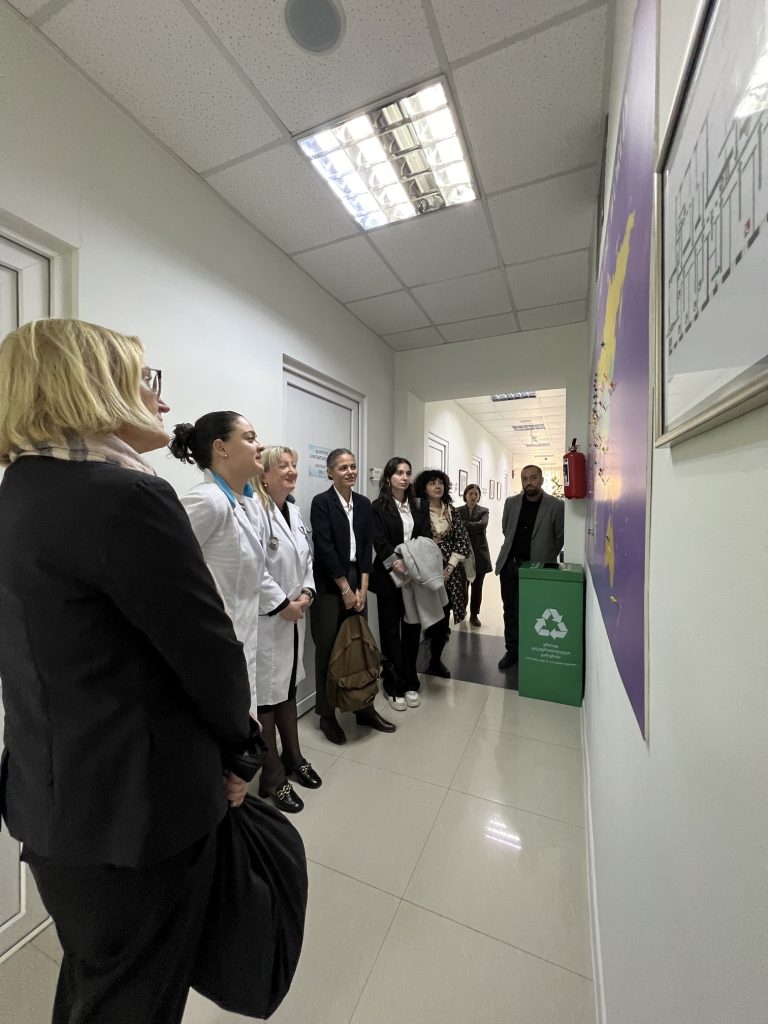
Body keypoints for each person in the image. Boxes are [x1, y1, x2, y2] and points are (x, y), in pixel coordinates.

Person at [0, 319, 254, 1024]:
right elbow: (206, 652)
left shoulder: (19, 492)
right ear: (90, 385)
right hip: (137, 812)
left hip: (56, 807)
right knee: (135, 998)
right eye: (146, 380)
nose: (161, 401)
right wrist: (242, 749)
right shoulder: (123, 496)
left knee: (98, 982)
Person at [309, 448, 396, 745]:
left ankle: (363, 708)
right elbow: (324, 548)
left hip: (359, 576)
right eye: (343, 467)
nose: (350, 472)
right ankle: (327, 714)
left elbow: (367, 545)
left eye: (353, 466)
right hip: (330, 583)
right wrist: (345, 589)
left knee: (360, 644)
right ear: (330, 472)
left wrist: (362, 587)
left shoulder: (362, 503)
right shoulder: (322, 503)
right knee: (328, 648)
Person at [251, 446, 321, 811]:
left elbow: (307, 559)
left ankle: (293, 756)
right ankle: (272, 775)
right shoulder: (254, 511)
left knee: (287, 690)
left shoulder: (293, 511)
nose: (292, 470)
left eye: (294, 465)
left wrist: (307, 591)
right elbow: (255, 569)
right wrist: (283, 605)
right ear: (264, 475)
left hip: (293, 617)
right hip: (268, 621)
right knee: (266, 699)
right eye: (283, 466)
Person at [371, 456, 429, 711]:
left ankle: (410, 680)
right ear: (388, 478)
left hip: (414, 577)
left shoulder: (418, 505)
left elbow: (425, 537)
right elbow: (379, 541)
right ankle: (393, 684)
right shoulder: (378, 506)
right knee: (390, 632)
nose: (404, 477)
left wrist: (413, 565)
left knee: (412, 629)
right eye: (399, 473)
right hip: (389, 578)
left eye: (407, 473)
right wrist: (396, 563)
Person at [495, 464, 565, 669]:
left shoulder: (555, 505)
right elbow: (506, 529)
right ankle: (512, 650)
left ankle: (533, 648)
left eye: (533, 478)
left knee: (534, 609)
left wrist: (545, 557)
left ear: (541, 480)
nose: (529, 482)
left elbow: (559, 538)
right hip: (510, 565)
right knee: (510, 609)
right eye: (525, 478)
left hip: (537, 568)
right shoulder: (511, 503)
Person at [413, 469, 471, 678]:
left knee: (444, 616)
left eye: (440, 482)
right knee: (417, 616)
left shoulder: (451, 511)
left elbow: (462, 540)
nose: (437, 486)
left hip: (449, 573)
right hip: (424, 571)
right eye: (432, 483)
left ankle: (436, 660)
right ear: (424, 487)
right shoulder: (417, 510)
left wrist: (449, 568)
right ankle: (409, 664)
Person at [458, 483, 493, 627]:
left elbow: (482, 525)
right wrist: (473, 526)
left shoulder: (484, 511)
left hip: (479, 554)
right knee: (463, 586)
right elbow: (456, 527)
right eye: (470, 494)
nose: (473, 496)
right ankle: (463, 610)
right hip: (463, 553)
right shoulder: (458, 510)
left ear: (479, 497)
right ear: (465, 495)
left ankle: (474, 615)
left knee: (477, 587)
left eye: (476, 494)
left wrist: (464, 524)